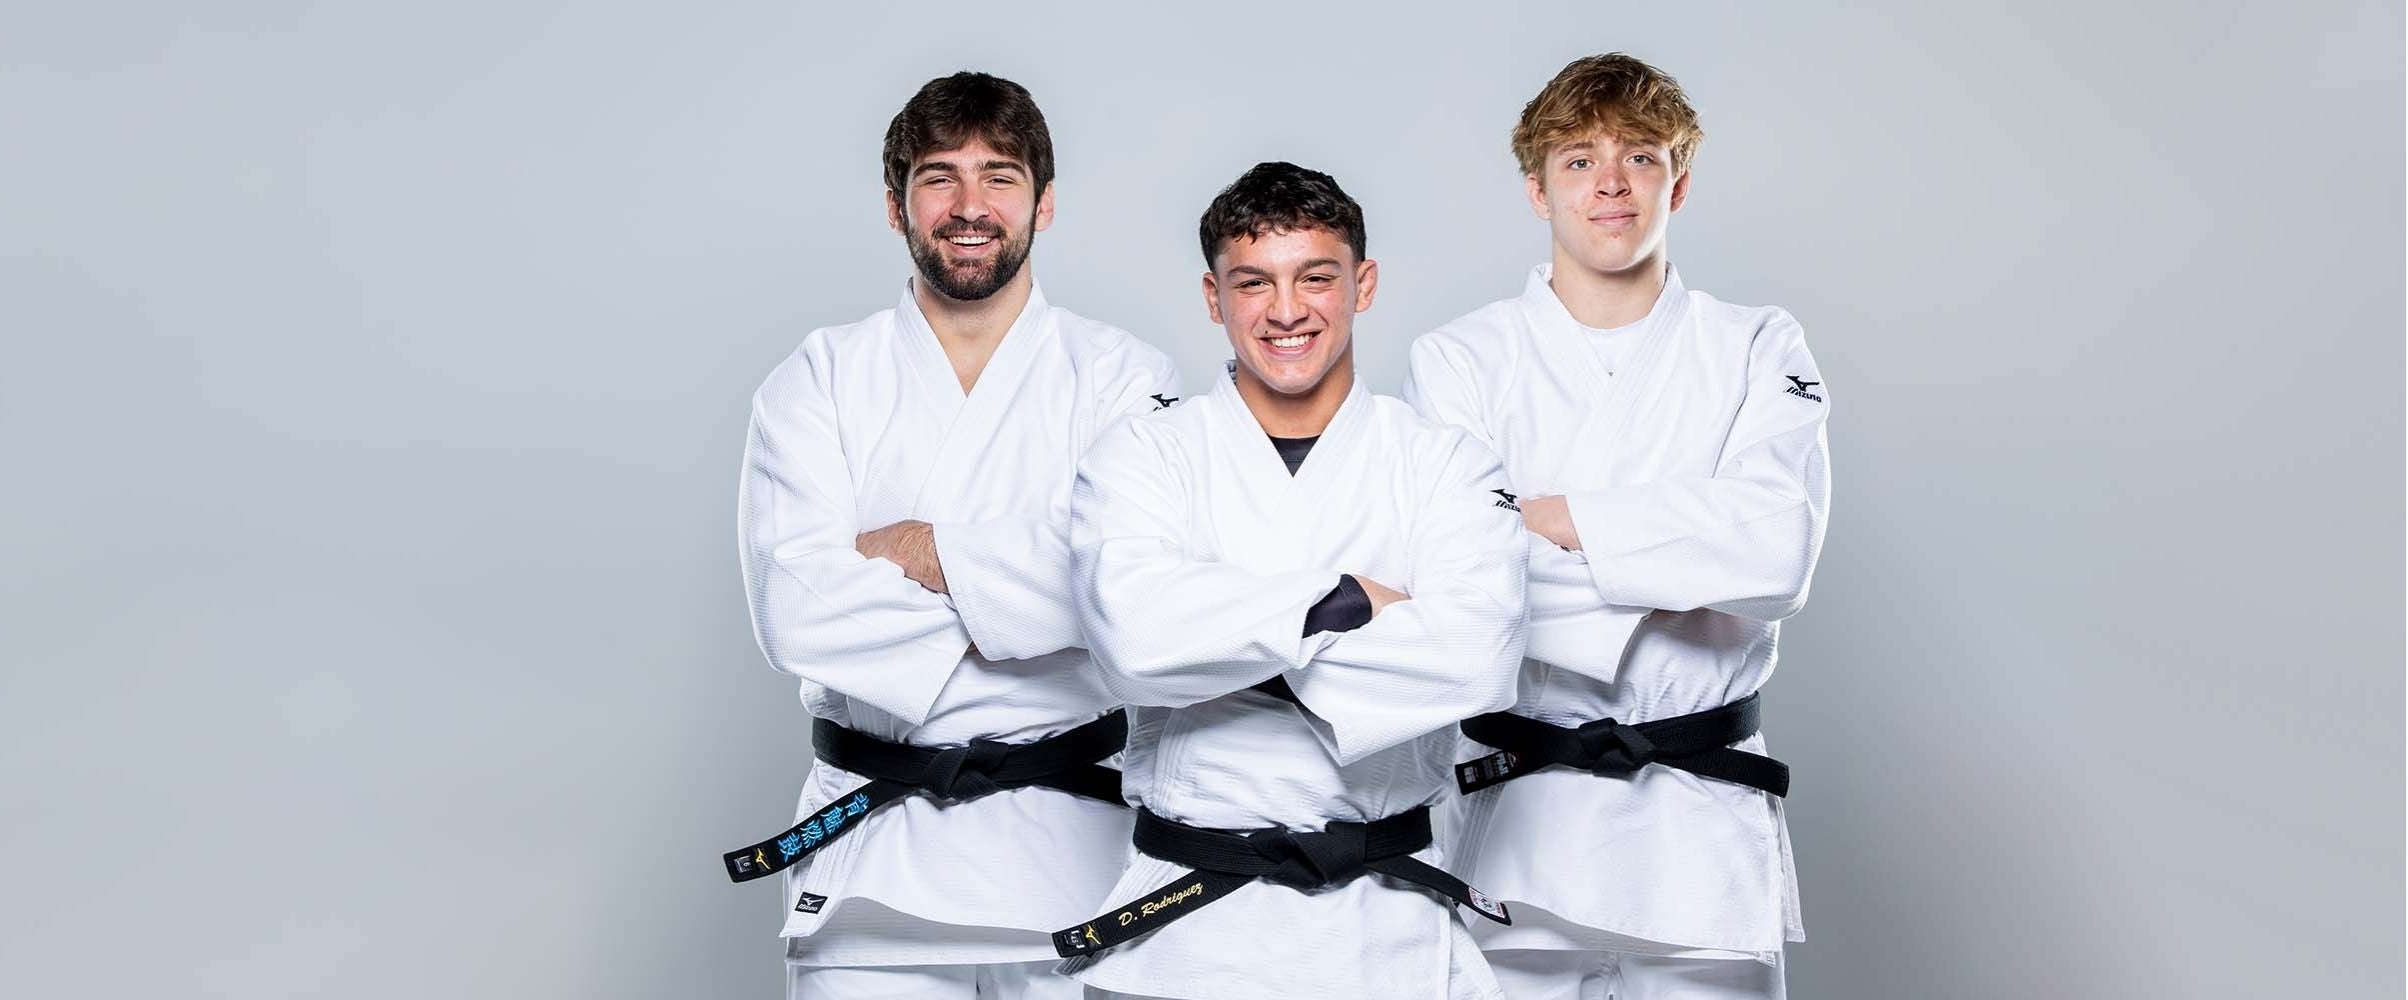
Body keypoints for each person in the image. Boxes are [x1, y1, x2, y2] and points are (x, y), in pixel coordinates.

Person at [729, 70, 1181, 1000]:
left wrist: (922, 552)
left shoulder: (1122, 380)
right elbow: (796, 613)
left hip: (1075, 856)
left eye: (1000, 177)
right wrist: (1038, 586)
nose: (969, 207)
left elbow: (1134, 595)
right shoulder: (819, 379)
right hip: (873, 860)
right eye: (939, 176)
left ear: (1043, 204)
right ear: (895, 204)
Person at [1403, 53, 1832, 999]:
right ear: (1536, 189)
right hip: (1521, 813)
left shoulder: (1758, 344)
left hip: (1699, 821)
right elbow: (1464, 584)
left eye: (1640, 157)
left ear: (1680, 179)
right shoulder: (1460, 361)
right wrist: (1679, 550)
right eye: (1578, 160)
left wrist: (1564, 519)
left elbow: (1776, 550)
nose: (1610, 183)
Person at [1058, 161, 1530, 1000]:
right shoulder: (1143, 455)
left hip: (1390, 924)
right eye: (1253, 283)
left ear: (1364, 283)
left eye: (1316, 277)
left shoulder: (1446, 462)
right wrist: (1345, 601)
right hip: (1188, 928)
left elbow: (1477, 657)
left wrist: (1220, 644)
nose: (1285, 311)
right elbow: (1132, 637)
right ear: (1213, 296)